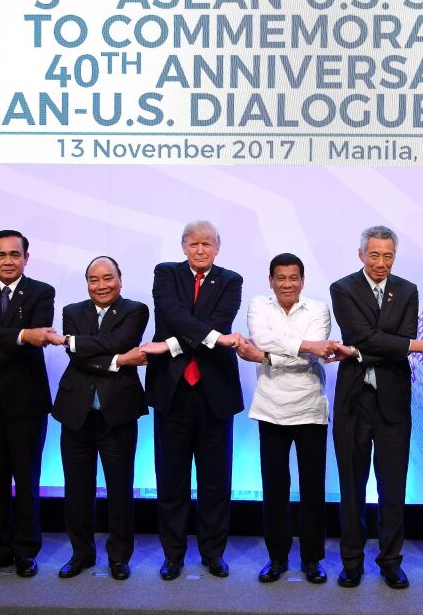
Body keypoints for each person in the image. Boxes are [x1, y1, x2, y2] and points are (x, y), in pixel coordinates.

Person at [327, 225, 423, 590]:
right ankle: (351, 562)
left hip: (393, 400)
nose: (381, 263)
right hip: (354, 400)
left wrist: (390, 343)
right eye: (374, 255)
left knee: (393, 487)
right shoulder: (343, 287)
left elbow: (387, 337)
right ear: (361, 254)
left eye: (388, 255)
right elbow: (359, 336)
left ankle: (391, 561)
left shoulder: (407, 289)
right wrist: (412, 345)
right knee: (352, 486)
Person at [141, 220, 243, 580]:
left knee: (216, 480)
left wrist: (169, 343)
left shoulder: (231, 280)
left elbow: (218, 319)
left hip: (215, 391)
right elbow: (172, 315)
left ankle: (213, 553)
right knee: (171, 478)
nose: (201, 250)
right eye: (194, 244)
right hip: (172, 391)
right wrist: (214, 336)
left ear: (218, 247)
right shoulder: (166, 273)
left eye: (208, 244)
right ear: (183, 246)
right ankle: (173, 555)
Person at [234, 253, 334, 585]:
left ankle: (312, 559)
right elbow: (265, 339)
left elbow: (310, 352)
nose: (287, 284)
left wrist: (263, 357)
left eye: (293, 278)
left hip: (309, 408)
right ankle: (276, 558)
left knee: (312, 489)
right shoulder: (259, 306)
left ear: (302, 281)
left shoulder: (318, 308)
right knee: (275, 489)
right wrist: (302, 347)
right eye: (281, 278)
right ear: (271, 280)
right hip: (270, 408)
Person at [49, 256, 150, 581]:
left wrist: (79, 344)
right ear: (87, 282)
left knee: (119, 490)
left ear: (120, 279)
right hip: (75, 412)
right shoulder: (72, 311)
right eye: (94, 279)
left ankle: (119, 557)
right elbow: (78, 358)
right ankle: (81, 554)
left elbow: (117, 342)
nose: (101, 285)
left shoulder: (135, 310)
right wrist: (120, 360)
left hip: (117, 414)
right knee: (77, 490)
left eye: (108, 278)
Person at [0, 229, 56, 578]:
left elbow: (37, 338)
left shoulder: (42, 292)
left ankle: (26, 551)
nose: (7, 260)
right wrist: (19, 335)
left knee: (27, 478)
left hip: (27, 400)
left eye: (14, 254)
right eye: (0, 254)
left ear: (26, 258)